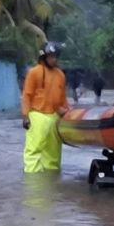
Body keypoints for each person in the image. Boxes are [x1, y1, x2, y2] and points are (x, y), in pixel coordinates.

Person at [21, 42, 70, 173]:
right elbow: (27, 95)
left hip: (55, 117)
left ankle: (51, 178)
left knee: (54, 151)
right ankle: (33, 178)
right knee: (34, 149)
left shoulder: (60, 75)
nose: (54, 59)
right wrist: (25, 116)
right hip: (37, 115)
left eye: (56, 56)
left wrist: (67, 113)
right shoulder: (34, 72)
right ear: (44, 57)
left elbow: (63, 98)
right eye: (51, 56)